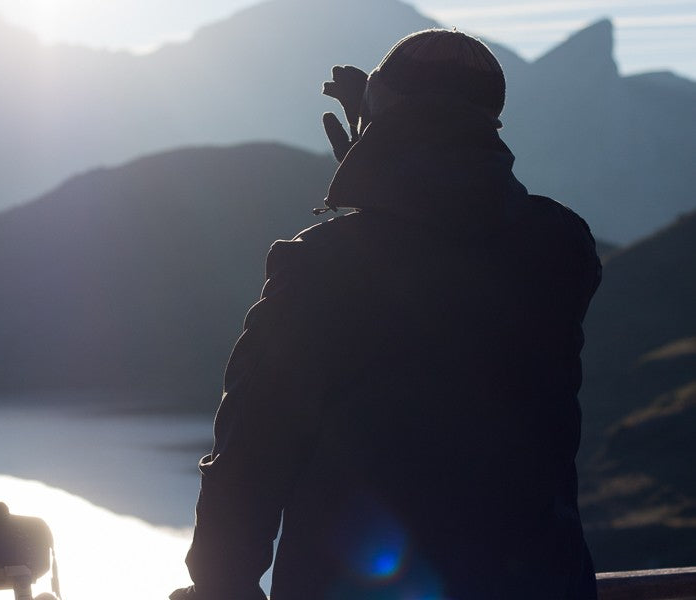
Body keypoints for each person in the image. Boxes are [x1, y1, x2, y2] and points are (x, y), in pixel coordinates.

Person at [171, 28, 601, 600]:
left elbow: (251, 453)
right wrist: (383, 151)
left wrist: (222, 587)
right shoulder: (562, 246)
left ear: (381, 107)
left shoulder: (322, 269)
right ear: (492, 118)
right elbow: (455, 247)